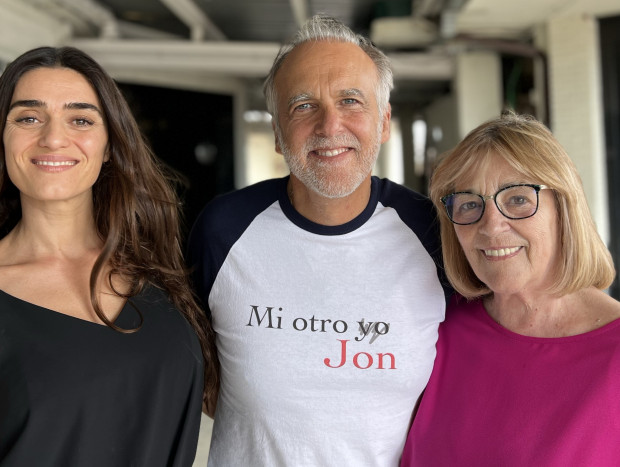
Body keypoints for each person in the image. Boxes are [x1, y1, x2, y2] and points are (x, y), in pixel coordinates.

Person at [188, 15, 449, 466]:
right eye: (303, 105)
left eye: (351, 100)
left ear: (384, 121)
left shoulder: (433, 234)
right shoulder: (223, 229)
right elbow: (190, 372)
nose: (330, 126)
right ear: (276, 132)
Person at [0, 46, 218, 466]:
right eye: (28, 117)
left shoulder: (162, 272)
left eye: (80, 119)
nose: (53, 138)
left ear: (109, 146)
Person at [401, 111, 620, 466]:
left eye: (517, 199)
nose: (491, 226)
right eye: (470, 204)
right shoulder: (434, 328)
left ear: (564, 208)